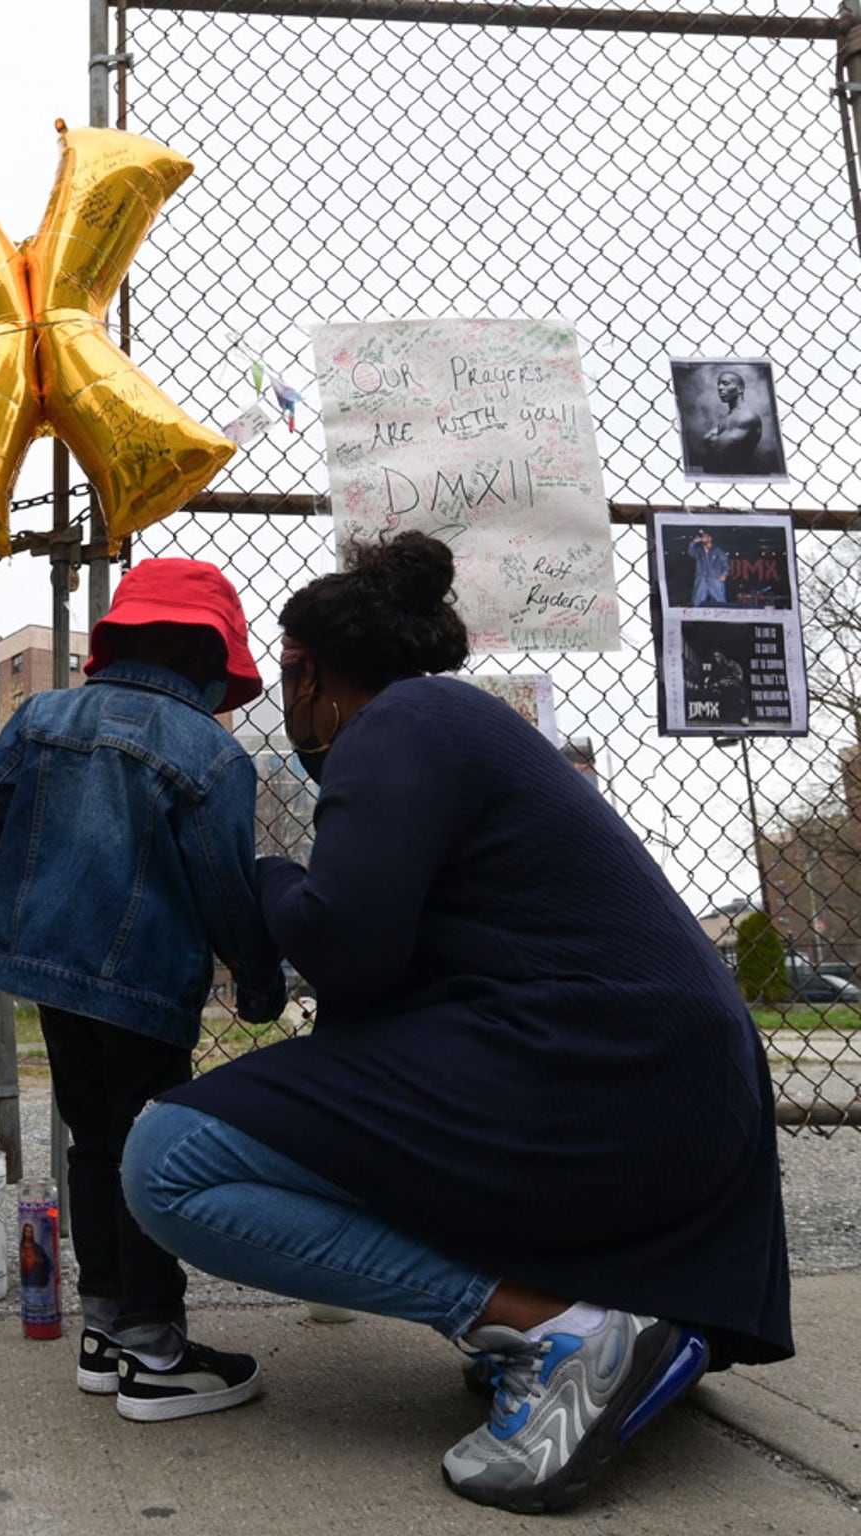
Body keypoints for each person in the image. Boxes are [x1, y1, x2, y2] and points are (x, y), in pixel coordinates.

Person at [120, 533, 792, 1512]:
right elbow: (378, 994)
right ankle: (596, 1317)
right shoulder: (457, 725)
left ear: (305, 672)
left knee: (169, 1160)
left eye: (285, 685)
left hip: (601, 1075)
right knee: (335, 1098)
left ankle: (554, 1331)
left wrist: (261, 879)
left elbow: (341, 945)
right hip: (659, 1091)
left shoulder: (397, 725)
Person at [0, 558, 285, 1423]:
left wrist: (53, 851)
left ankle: (105, 1323)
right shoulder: (211, 753)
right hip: (143, 977)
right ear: (214, 662)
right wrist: (258, 978)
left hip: (44, 962)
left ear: (119, 639)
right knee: (149, 1144)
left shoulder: (40, 717)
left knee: (92, 1138)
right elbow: (225, 884)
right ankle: (153, 1350)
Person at [700, 369, 766, 475]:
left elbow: (717, 451)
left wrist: (714, 439)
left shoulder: (746, 417)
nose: (720, 388)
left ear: (740, 389)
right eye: (719, 384)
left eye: (725, 384)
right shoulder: (729, 417)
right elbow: (709, 442)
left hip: (738, 476)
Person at [690, 529, 730, 606]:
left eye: (705, 536)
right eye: (702, 536)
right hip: (701, 579)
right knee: (697, 600)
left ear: (710, 538)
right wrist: (694, 542)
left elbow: (725, 563)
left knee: (720, 600)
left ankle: (722, 614)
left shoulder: (718, 551)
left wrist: (724, 573)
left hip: (715, 578)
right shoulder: (699, 551)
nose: (703, 538)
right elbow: (690, 551)